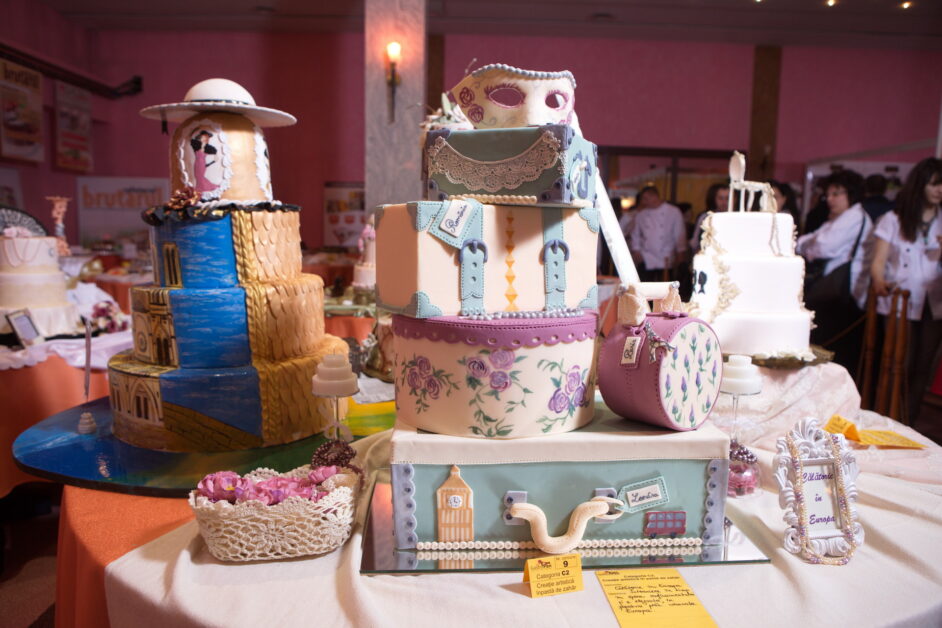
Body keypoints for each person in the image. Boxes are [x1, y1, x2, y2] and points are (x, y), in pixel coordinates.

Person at [870, 157, 942, 423]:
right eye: (934, 184)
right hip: (899, 299)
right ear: (920, 185)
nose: (939, 190)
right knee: (899, 364)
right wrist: (879, 280)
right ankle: (888, 418)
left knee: (923, 366)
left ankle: (909, 420)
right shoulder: (894, 219)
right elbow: (878, 262)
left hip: (933, 301)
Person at [797, 169, 872, 370]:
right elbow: (805, 241)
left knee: (835, 349)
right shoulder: (840, 218)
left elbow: (823, 247)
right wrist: (810, 244)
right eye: (828, 194)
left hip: (845, 293)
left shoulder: (854, 217)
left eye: (836, 194)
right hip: (834, 289)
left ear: (851, 193)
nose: (830, 199)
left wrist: (809, 244)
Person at [627, 186, 686, 281]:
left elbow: (679, 233)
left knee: (664, 287)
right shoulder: (641, 214)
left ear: (654, 196)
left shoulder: (673, 211)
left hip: (665, 256)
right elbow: (635, 234)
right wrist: (636, 250)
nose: (644, 202)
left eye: (646, 199)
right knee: (644, 285)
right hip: (646, 257)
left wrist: (680, 254)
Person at [689, 183, 730, 254]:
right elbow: (695, 243)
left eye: (727, 198)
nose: (724, 202)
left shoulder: (737, 218)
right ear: (713, 199)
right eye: (720, 198)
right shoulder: (705, 217)